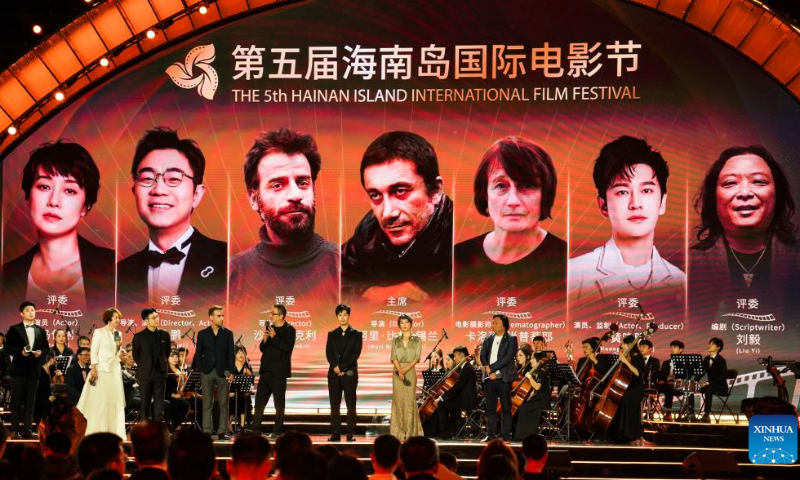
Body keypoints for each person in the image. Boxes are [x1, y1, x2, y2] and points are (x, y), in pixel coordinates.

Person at [230, 128, 338, 317]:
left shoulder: (346, 269)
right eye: (278, 185)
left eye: (303, 182)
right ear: (253, 198)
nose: (295, 195)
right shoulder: (230, 276)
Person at [1, 141, 114, 319]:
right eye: (44, 187)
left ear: (86, 206)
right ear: (28, 198)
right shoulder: (6, 277)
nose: (54, 201)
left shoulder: (115, 268)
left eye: (69, 190)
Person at [118, 127, 226, 308]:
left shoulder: (231, 264)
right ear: (134, 191)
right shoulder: (117, 274)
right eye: (147, 178)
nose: (158, 190)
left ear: (197, 194)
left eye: (174, 179)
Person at [690, 146, 800, 325]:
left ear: (777, 194)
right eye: (730, 183)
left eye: (758, 181)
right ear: (713, 197)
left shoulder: (795, 259)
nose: (745, 193)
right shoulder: (686, 266)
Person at [455, 136, 567, 311]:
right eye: (501, 186)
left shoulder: (571, 264)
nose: (513, 201)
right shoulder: (455, 260)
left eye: (527, 186)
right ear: (484, 194)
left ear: (545, 194)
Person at [569, 136, 685, 302]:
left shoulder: (680, 282)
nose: (635, 204)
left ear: (662, 203)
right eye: (622, 192)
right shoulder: (574, 274)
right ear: (603, 206)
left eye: (646, 191)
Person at [342, 131, 453, 301]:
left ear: (436, 191)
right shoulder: (369, 231)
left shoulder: (461, 237)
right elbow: (321, 277)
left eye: (400, 191)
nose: (387, 213)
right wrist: (371, 293)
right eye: (375, 195)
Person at [77, 307, 126, 438]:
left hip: (114, 368)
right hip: (101, 368)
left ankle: (112, 430)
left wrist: (118, 347)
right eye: (116, 317)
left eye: (119, 318)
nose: (118, 320)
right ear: (109, 318)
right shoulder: (99, 332)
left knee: (113, 400)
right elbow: (94, 351)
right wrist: (93, 368)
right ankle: (96, 428)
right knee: (100, 399)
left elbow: (116, 352)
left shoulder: (118, 334)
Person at [5, 300, 50, 438]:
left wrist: (40, 353)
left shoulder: (41, 331)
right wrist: (21, 352)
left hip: (34, 372)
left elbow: (46, 348)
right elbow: (8, 348)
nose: (31, 312)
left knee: (31, 402)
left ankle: (28, 430)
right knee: (17, 401)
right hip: (19, 371)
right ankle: (14, 430)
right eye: (28, 310)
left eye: (33, 310)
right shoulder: (14, 329)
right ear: (21, 313)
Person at [251, 303, 296, 437]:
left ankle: (277, 431)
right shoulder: (270, 329)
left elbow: (287, 348)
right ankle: (255, 429)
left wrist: (275, 337)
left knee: (279, 404)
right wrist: (264, 340)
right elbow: (263, 349)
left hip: (279, 373)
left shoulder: (289, 330)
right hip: (265, 371)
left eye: (273, 313)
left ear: (281, 316)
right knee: (259, 402)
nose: (270, 316)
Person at [192, 305, 235, 439]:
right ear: (211, 318)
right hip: (207, 371)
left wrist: (231, 372)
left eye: (222, 315)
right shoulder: (203, 333)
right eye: (218, 315)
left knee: (223, 404)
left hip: (223, 372)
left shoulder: (228, 333)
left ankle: (222, 431)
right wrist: (201, 369)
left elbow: (231, 354)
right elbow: (198, 354)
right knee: (207, 404)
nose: (221, 318)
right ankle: (207, 431)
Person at [326, 304, 362, 441]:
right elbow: (329, 353)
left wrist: (342, 368)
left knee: (350, 404)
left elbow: (355, 354)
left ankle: (350, 433)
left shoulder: (356, 334)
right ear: (337, 316)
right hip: (333, 374)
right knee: (334, 405)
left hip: (349, 374)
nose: (342, 317)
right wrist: (335, 367)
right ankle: (335, 432)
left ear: (348, 316)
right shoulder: (332, 334)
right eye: (340, 315)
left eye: (345, 315)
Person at [480, 314, 519, 441]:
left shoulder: (511, 339)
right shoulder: (488, 338)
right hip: (489, 378)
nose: (493, 325)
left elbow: (508, 358)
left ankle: (505, 435)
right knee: (490, 408)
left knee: (506, 408)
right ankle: (490, 435)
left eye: (496, 322)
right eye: (492, 322)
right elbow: (483, 355)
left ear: (504, 325)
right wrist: (487, 368)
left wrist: (492, 369)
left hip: (504, 377)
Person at [606, 335, 647, 445]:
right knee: (619, 397)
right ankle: (618, 433)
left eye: (624, 344)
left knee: (626, 398)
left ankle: (632, 434)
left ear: (630, 345)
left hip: (636, 388)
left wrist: (625, 361)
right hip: (627, 386)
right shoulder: (626, 356)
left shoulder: (637, 357)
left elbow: (637, 373)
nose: (621, 345)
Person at [431, 346, 478, 440]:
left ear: (461, 356)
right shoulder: (464, 367)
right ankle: (451, 430)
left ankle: (445, 433)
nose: (454, 358)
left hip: (467, 402)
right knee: (446, 403)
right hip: (462, 399)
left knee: (442, 404)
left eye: (455, 356)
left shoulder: (467, 368)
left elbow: (457, 387)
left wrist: (441, 397)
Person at [132, 308, 171, 421]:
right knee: (145, 404)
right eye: (153, 318)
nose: (156, 319)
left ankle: (158, 430)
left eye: (157, 317)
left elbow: (167, 352)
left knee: (159, 404)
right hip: (145, 375)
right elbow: (136, 356)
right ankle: (145, 430)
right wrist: (145, 365)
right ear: (146, 321)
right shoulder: (139, 337)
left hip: (160, 373)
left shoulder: (164, 335)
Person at [390, 314, 423, 441]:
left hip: (410, 371)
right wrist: (399, 370)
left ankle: (410, 432)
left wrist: (404, 370)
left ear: (411, 324)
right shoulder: (395, 339)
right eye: (402, 323)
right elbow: (393, 357)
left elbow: (416, 358)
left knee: (409, 401)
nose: (404, 325)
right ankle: (398, 432)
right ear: (399, 325)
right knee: (398, 401)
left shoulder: (417, 339)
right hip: (397, 372)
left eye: (406, 322)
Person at [513, 351, 551, 441]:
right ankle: (522, 435)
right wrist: (527, 399)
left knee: (523, 408)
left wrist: (529, 377)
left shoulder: (542, 372)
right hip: (538, 399)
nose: (531, 361)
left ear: (539, 360)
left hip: (542, 401)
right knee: (522, 406)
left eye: (533, 358)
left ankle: (524, 436)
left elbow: (537, 387)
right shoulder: (538, 372)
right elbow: (534, 391)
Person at [657, 340, 692, 421]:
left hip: (678, 387)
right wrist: (661, 380)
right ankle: (650, 411)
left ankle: (668, 412)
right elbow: (662, 376)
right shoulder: (666, 363)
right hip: (666, 385)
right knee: (652, 387)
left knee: (669, 387)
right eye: (671, 347)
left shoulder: (685, 363)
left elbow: (687, 376)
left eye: (675, 347)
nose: (672, 349)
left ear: (681, 350)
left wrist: (678, 380)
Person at [699, 337, 728, 423]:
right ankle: (691, 414)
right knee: (693, 387)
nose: (709, 345)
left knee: (708, 388)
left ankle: (707, 415)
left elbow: (722, 377)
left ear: (718, 348)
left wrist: (708, 382)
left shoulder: (721, 360)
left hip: (720, 387)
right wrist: (695, 380)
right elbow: (702, 372)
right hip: (710, 385)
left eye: (712, 344)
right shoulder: (706, 359)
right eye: (709, 344)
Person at [165, 351, 189, 430]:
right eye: (172, 356)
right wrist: (172, 394)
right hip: (169, 394)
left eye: (176, 356)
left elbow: (183, 385)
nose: (175, 358)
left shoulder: (179, 369)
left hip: (180, 393)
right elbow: (164, 385)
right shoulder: (166, 370)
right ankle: (176, 425)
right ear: (167, 358)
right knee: (180, 402)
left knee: (192, 401)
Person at [232, 347, 253, 430]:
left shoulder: (247, 366)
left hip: (243, 393)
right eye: (238, 352)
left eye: (243, 352)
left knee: (244, 399)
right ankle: (229, 427)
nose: (241, 354)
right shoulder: (231, 366)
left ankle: (243, 426)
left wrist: (249, 373)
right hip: (232, 393)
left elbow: (251, 383)